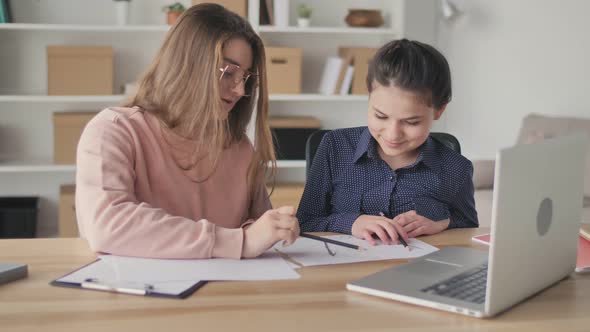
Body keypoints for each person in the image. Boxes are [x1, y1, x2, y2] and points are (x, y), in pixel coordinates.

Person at [75, 3, 299, 259]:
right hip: (140, 295)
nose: (239, 91)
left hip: (228, 294)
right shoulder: (113, 131)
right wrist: (238, 241)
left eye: (245, 78)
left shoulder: (240, 148)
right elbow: (108, 225)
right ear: (187, 64)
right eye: (227, 72)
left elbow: (256, 232)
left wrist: (273, 228)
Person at [297, 39, 478, 245]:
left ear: (439, 110)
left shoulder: (456, 168)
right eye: (381, 116)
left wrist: (443, 223)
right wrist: (351, 222)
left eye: (411, 122)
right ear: (369, 97)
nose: (393, 134)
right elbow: (305, 221)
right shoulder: (335, 147)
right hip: (344, 270)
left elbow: (469, 226)